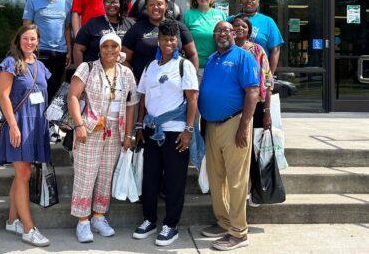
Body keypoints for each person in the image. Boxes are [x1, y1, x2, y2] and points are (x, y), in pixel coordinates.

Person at [132, 19, 198, 247]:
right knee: (149, 179)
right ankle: (149, 219)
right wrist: (139, 125)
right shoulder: (151, 67)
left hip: (176, 132)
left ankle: (171, 224)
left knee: (174, 180)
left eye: (172, 39)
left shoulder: (184, 66)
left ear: (177, 42)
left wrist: (189, 130)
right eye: (164, 39)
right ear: (158, 41)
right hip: (151, 132)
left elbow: (192, 99)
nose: (168, 43)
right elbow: (142, 98)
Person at [68, 33, 138, 243]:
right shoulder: (87, 68)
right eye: (105, 46)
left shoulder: (126, 73)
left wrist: (128, 134)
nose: (109, 50)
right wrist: (79, 125)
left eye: (114, 46)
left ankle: (99, 217)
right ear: (99, 49)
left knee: (106, 176)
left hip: (115, 132)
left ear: (120, 50)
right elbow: (72, 96)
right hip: (89, 130)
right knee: (86, 175)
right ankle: (82, 221)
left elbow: (132, 103)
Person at [198, 21, 259, 251]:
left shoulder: (243, 57)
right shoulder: (213, 58)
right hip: (212, 125)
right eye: (218, 31)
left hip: (235, 123)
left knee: (236, 180)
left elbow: (253, 91)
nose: (221, 34)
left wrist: (244, 126)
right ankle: (224, 222)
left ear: (234, 34)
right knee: (216, 178)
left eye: (226, 30)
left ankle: (238, 232)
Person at [0, 24, 51, 247]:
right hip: (19, 125)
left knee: (22, 174)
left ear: (38, 41)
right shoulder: (10, 63)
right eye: (26, 38)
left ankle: (12, 220)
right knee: (24, 174)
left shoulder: (40, 66)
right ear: (19, 40)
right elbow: (3, 96)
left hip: (37, 125)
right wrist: (13, 126)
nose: (30, 42)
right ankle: (28, 228)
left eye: (33, 39)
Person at [122, 0, 199, 82]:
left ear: (166, 6)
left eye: (159, 4)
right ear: (146, 7)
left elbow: (192, 54)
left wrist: (190, 80)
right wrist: (134, 82)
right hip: (145, 87)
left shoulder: (178, 27)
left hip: (175, 86)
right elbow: (124, 59)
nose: (155, 7)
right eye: (151, 4)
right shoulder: (135, 29)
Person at [22, 0, 71, 103]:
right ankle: (38, 119)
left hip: (60, 52)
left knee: (56, 89)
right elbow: (27, 28)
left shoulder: (66, 3)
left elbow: (67, 29)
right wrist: (28, 51)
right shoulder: (33, 1)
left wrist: (69, 51)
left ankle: (49, 121)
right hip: (40, 51)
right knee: (38, 87)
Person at [231, 15, 273, 130]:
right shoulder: (224, 50)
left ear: (249, 30)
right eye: (236, 25)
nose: (239, 28)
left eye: (243, 26)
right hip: (231, 105)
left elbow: (267, 80)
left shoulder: (258, 50)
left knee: (253, 145)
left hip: (256, 104)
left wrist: (267, 111)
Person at [229, 0, 284, 75]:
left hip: (258, 73)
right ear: (241, 1)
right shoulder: (231, 20)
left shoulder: (268, 21)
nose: (249, 1)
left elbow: (275, 50)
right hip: (232, 71)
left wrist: (268, 76)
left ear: (258, 2)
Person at [73, 0, 134, 67]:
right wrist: (80, 73)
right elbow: (78, 49)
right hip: (95, 73)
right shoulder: (93, 23)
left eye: (115, 2)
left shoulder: (130, 24)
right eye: (107, 1)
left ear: (121, 3)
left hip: (121, 74)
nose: (111, 5)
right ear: (104, 3)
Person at [183, 0, 227, 74]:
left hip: (218, 65)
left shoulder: (221, 15)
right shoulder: (187, 15)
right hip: (195, 67)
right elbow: (182, 41)